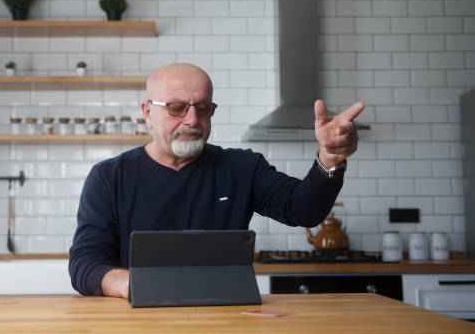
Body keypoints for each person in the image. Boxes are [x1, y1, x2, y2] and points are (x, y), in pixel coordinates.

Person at [69, 63, 364, 298]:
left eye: (203, 108)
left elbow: (304, 210)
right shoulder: (109, 177)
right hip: (137, 320)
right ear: (148, 113)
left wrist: (329, 160)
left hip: (226, 320)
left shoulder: (242, 167)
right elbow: (85, 264)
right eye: (177, 108)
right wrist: (131, 283)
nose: (192, 120)